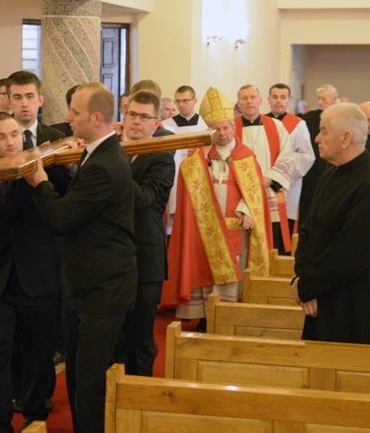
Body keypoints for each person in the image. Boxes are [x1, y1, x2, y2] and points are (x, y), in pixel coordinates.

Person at [25, 82, 136, 433]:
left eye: (74, 111)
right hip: (85, 285)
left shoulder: (104, 163)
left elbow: (61, 219)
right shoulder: (94, 152)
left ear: (97, 117)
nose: (67, 118)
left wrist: (40, 181)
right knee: (76, 376)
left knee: (89, 382)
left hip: (102, 289)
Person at [0, 112, 71, 432]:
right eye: (1, 136)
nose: (10, 141)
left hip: (38, 277)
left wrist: (58, 169)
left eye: (15, 134)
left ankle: (35, 415)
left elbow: (66, 200)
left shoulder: (45, 171)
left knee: (39, 354)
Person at [291, 102, 370, 346]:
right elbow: (307, 231)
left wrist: (308, 286)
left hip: (357, 300)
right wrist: (301, 279)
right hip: (324, 290)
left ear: (346, 138)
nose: (317, 138)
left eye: (324, 131)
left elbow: (351, 253)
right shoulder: (331, 174)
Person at [162, 87, 272, 331]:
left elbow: (254, 192)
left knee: (231, 272)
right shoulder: (199, 158)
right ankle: (204, 316)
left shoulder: (246, 156)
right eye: (216, 129)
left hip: (235, 224)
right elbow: (188, 184)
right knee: (206, 269)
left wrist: (246, 210)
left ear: (234, 127)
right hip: (207, 224)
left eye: (226, 128)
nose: (222, 133)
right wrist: (196, 163)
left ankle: (227, 314)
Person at [116, 90, 175, 376]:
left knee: (139, 339)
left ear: (156, 123)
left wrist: (113, 161)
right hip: (112, 258)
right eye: (131, 114)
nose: (136, 121)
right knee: (116, 339)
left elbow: (146, 200)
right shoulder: (113, 151)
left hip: (144, 258)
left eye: (144, 117)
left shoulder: (161, 157)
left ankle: (140, 399)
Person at [235, 84, 294, 254]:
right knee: (245, 249)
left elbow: (287, 157)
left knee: (270, 248)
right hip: (240, 197)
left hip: (269, 194)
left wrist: (266, 181)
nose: (249, 101)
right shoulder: (231, 129)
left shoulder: (276, 126)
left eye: (253, 97)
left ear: (260, 101)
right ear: (238, 103)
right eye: (244, 98)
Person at [266, 83, 315, 244]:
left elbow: (306, 157)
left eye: (282, 97)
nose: (278, 101)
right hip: (262, 185)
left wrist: (278, 178)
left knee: (281, 236)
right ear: (268, 99)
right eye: (274, 97)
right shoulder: (261, 122)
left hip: (285, 188)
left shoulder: (298, 124)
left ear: (289, 100)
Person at [161, 85, 208, 236]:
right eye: (178, 101)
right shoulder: (167, 126)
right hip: (174, 179)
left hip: (199, 178)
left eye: (185, 101)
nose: (181, 105)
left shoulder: (206, 124)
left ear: (195, 100)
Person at [299, 84, 339, 227]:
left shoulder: (341, 118)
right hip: (312, 171)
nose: (320, 102)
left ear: (335, 99)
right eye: (319, 99)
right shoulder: (309, 118)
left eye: (324, 99)